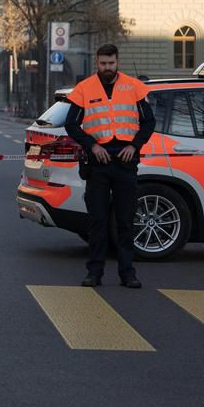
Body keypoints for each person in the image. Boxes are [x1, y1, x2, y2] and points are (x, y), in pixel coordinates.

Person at [64, 43, 155, 288]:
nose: (107, 68)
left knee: (125, 221)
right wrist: (92, 145)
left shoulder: (133, 86)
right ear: (97, 63)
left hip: (125, 163)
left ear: (117, 62)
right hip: (98, 164)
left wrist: (134, 146)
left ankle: (128, 273)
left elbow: (149, 123)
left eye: (111, 63)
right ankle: (94, 273)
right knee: (98, 221)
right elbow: (71, 124)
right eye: (103, 63)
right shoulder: (85, 88)